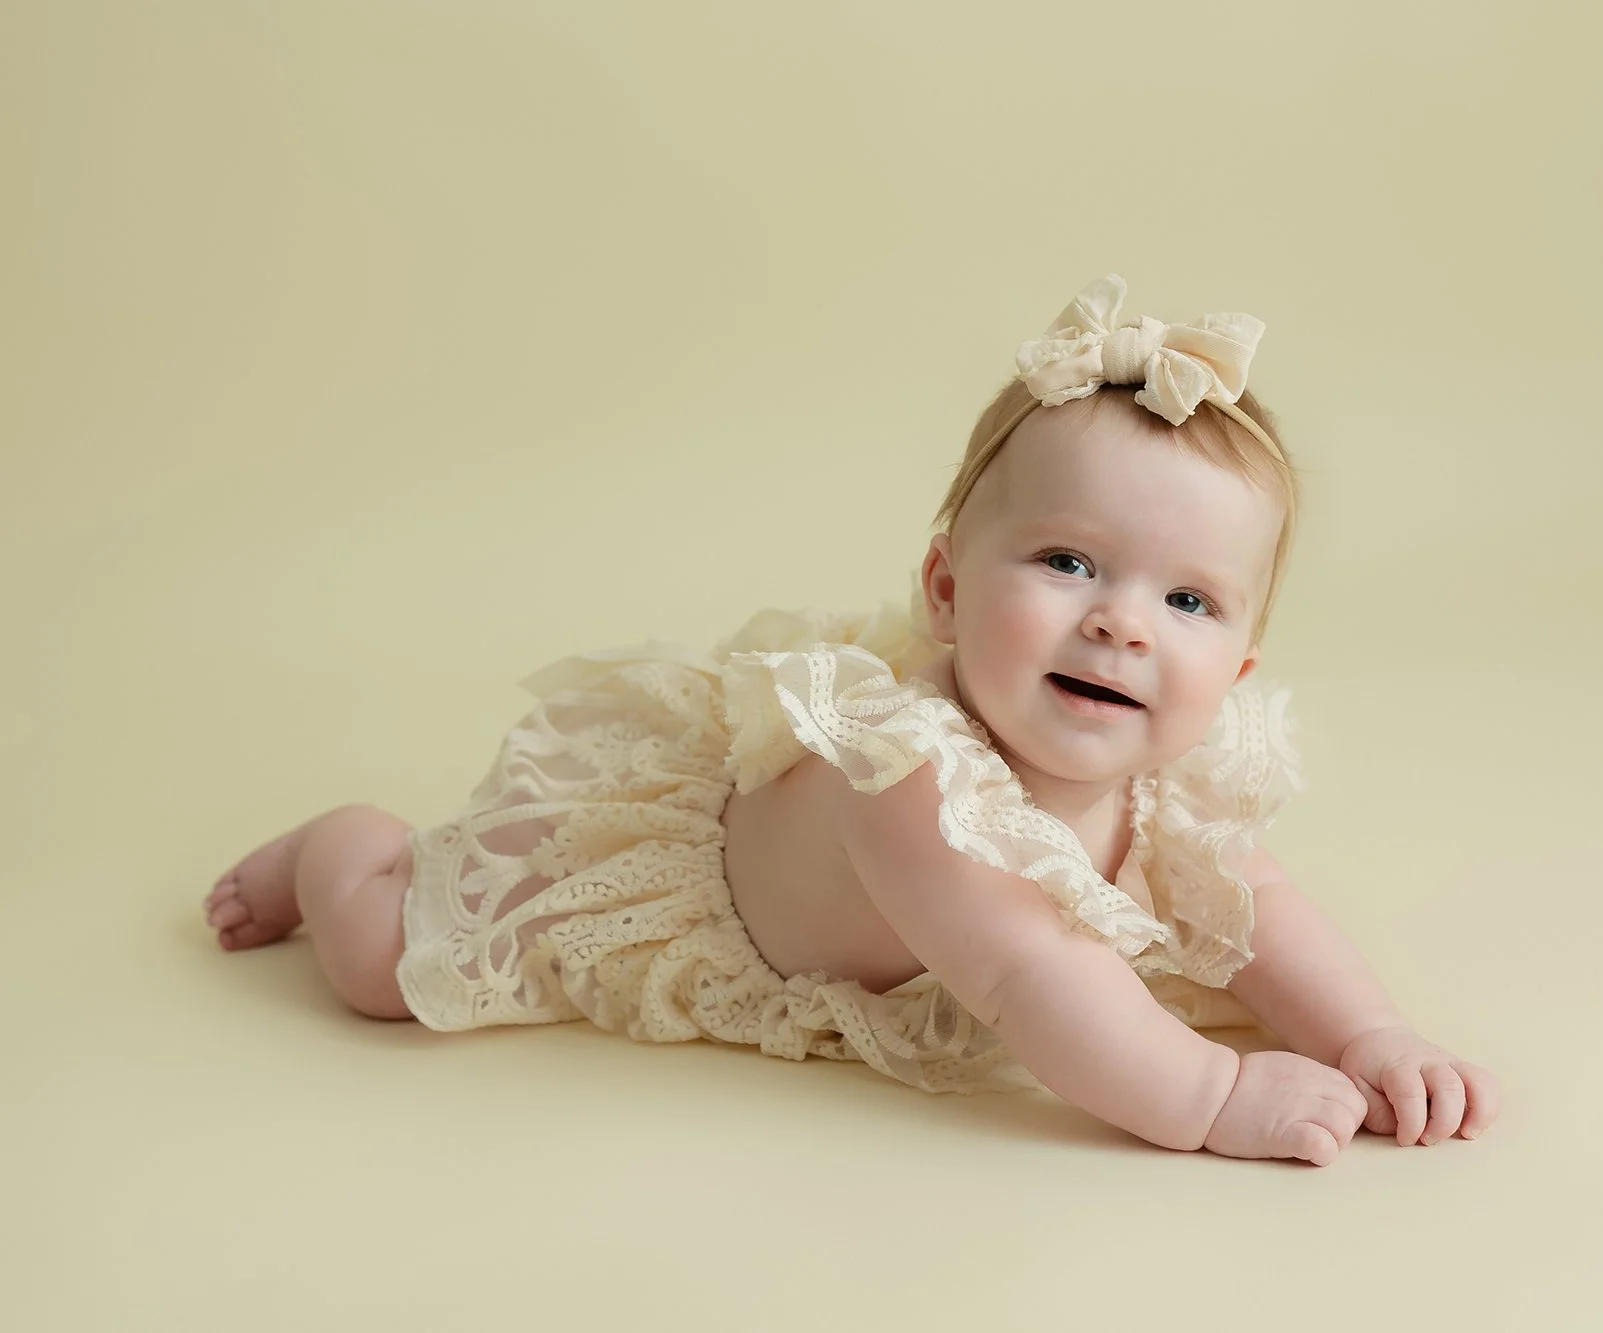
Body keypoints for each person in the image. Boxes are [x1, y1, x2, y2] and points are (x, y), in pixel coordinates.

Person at [203, 274, 1499, 1166]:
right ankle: (339, 846)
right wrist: (1213, 1095)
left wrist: (1363, 1032)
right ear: (943, 588)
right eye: (1065, 563)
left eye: (1190, 599)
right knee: (385, 965)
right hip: (684, 883)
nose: (1123, 624)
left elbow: (1257, 904)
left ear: (1242, 661)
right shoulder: (910, 777)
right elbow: (1028, 971)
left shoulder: (1179, 777)